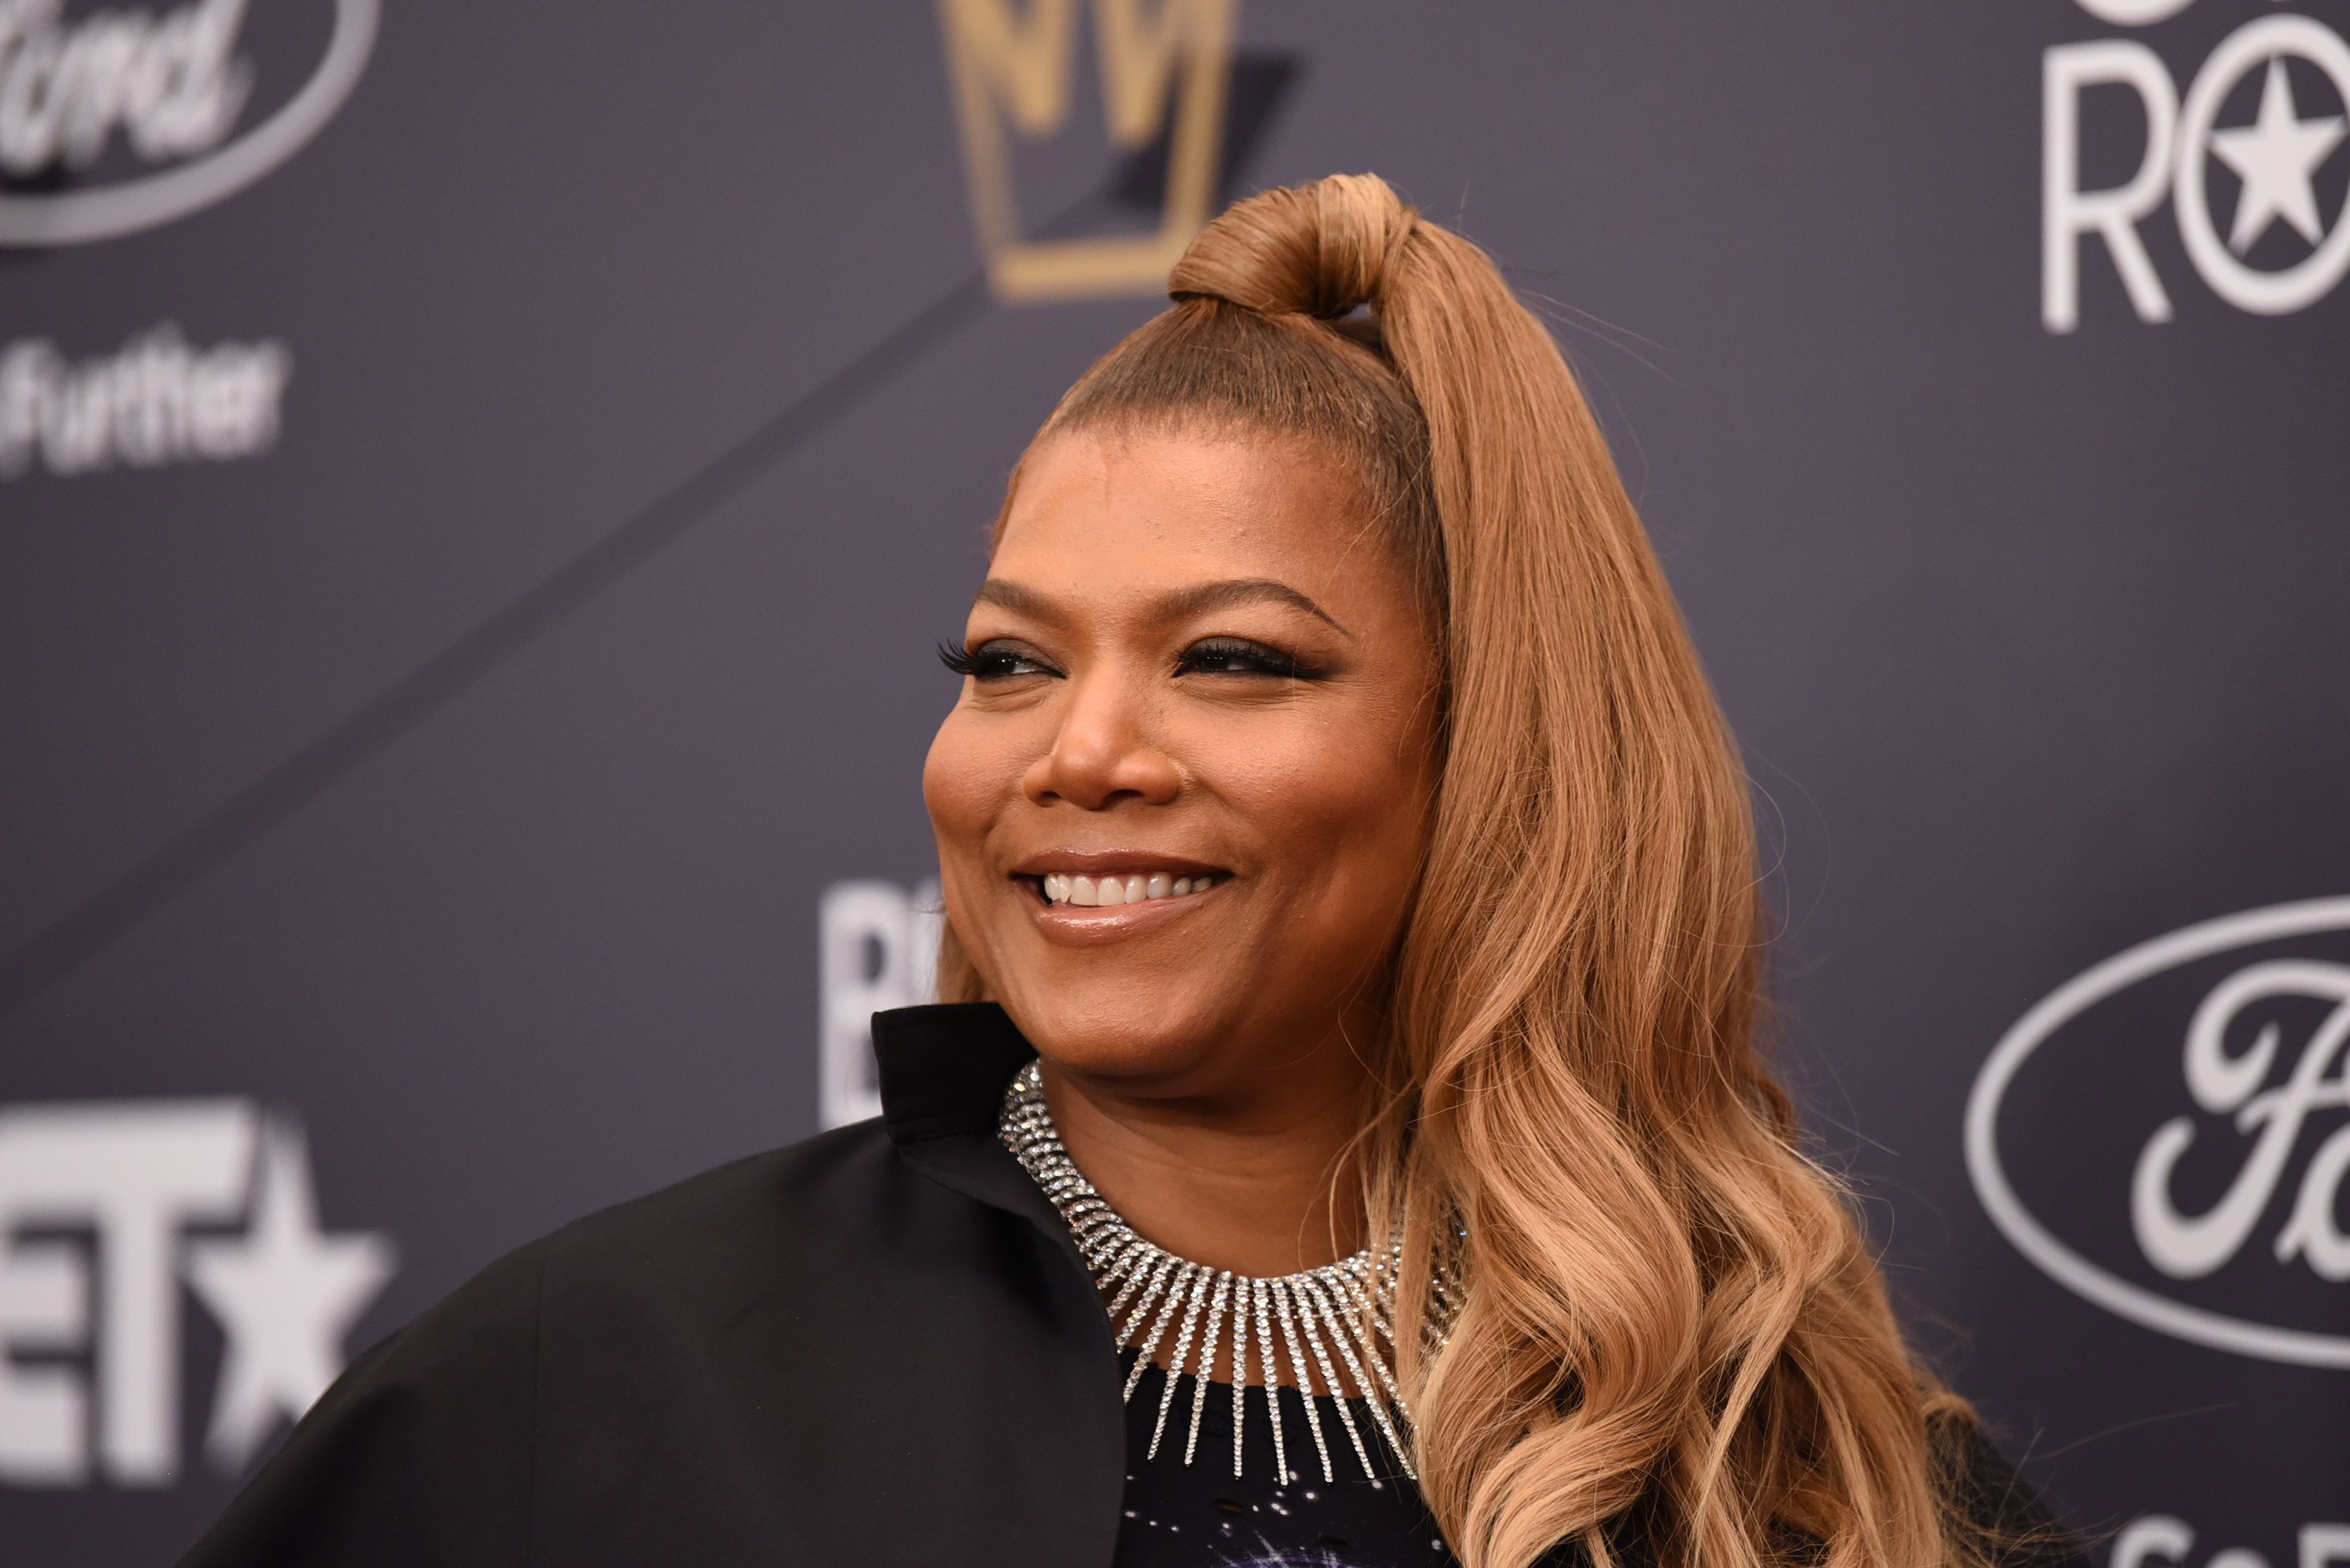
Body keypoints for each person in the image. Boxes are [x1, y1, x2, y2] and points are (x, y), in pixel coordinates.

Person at [179, 175, 2082, 1568]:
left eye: (1234, 657)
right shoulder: (577, 1396)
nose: (1079, 750)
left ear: (1491, 746)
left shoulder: (1815, 1474)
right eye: (1010, 660)